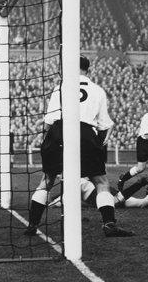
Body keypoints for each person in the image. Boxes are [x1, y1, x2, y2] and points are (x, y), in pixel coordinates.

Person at [25, 56, 134, 237]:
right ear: (88, 69)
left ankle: (32, 225)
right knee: (101, 182)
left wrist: (48, 138)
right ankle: (109, 224)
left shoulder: (60, 87)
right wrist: (99, 142)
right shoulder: (97, 90)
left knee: (47, 181)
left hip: (59, 131)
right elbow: (105, 125)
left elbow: (49, 120)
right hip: (85, 133)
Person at [117, 96, 148, 193]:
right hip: (144, 142)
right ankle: (123, 178)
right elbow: (147, 135)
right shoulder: (147, 117)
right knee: (141, 168)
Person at [49, 176, 148, 209]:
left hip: (98, 194)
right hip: (102, 188)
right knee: (142, 203)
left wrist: (47, 204)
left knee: (116, 201)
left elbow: (61, 200)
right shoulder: (77, 177)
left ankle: (139, 183)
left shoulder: (71, 183)